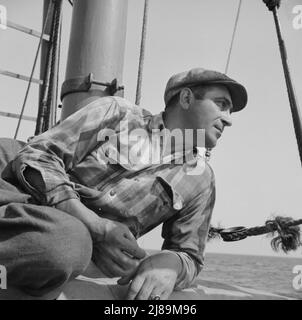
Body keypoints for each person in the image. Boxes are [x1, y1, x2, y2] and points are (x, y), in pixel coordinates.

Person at [0, 68, 247, 300]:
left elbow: (190, 255)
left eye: (230, 111)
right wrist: (97, 226)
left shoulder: (200, 179)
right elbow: (37, 156)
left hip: (57, 236)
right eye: (221, 104)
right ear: (186, 98)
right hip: (15, 190)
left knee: (67, 245)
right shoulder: (118, 114)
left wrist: (171, 265)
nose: (228, 120)